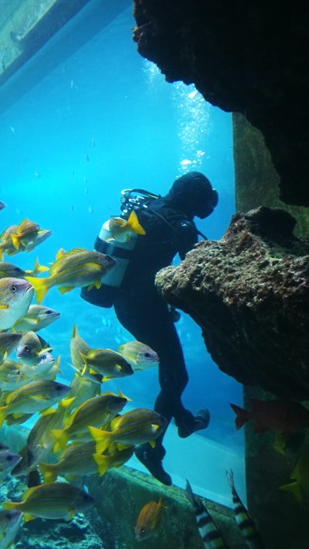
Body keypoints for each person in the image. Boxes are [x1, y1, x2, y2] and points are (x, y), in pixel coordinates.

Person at [82, 171, 219, 485]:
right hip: (144, 309)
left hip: (128, 304)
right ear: (195, 199)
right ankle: (152, 449)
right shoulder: (179, 225)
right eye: (205, 198)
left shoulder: (148, 206)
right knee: (177, 374)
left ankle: (183, 420)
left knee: (170, 369)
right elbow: (193, 269)